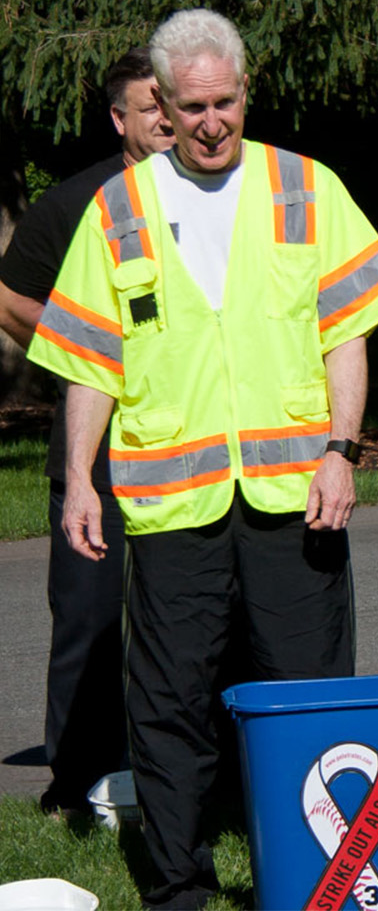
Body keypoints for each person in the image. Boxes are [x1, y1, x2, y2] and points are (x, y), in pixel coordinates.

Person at [26, 8, 378, 910]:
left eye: (225, 103)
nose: (210, 123)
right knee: (168, 708)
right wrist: (80, 479)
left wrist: (341, 451)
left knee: (307, 698)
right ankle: (177, 888)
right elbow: (89, 361)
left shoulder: (306, 186)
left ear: (248, 89)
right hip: (171, 507)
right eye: (191, 107)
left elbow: (347, 332)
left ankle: (320, 878)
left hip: (295, 494)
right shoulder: (117, 208)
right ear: (158, 102)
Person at [0, 47, 173, 816]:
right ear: (119, 119)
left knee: (188, 617)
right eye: (152, 108)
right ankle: (73, 783)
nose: (170, 120)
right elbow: (11, 297)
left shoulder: (217, 195)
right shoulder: (77, 202)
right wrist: (86, 345)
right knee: (90, 615)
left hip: (187, 448)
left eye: (176, 103)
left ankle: (193, 771)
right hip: (94, 452)